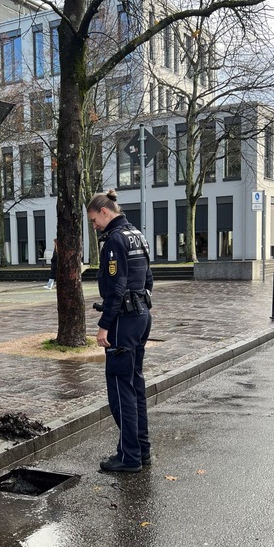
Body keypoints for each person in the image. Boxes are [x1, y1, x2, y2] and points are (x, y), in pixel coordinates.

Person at [87, 190, 153, 473]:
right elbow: (148, 279)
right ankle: (141, 450)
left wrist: (104, 325)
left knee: (120, 390)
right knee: (135, 386)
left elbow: (116, 288)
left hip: (123, 322)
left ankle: (129, 457)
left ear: (104, 211)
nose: (94, 226)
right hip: (141, 315)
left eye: (94, 220)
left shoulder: (115, 239)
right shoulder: (137, 234)